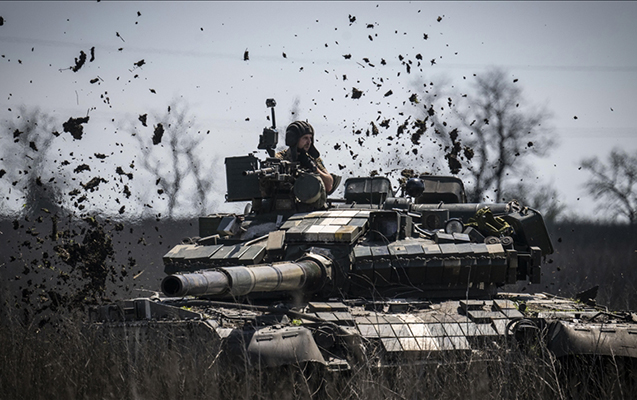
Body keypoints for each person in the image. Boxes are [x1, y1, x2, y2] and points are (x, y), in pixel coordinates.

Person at [275, 120, 340, 195]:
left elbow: (329, 185)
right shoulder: (279, 158)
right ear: (294, 139)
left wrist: (313, 168)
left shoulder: (314, 159)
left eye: (310, 138)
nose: (309, 142)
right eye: (305, 138)